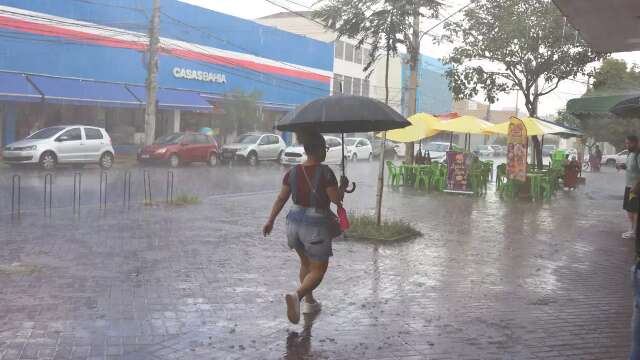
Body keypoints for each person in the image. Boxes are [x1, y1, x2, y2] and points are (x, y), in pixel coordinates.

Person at [262, 131, 346, 324]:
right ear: (318, 150)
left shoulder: (292, 172)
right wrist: (342, 187)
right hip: (315, 225)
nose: (325, 151)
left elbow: (281, 198)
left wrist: (270, 220)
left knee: (305, 264)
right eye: (324, 148)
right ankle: (297, 296)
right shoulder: (325, 172)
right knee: (318, 269)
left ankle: (309, 300)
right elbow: (335, 200)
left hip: (293, 223)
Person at [619, 135, 640, 239]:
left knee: (635, 210)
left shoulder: (638, 155)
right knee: (629, 209)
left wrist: (636, 186)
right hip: (629, 186)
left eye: (629, 143)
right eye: (626, 143)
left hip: (635, 187)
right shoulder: (630, 154)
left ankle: (635, 231)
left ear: (635, 143)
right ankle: (631, 229)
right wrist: (623, 166)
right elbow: (630, 167)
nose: (627, 145)